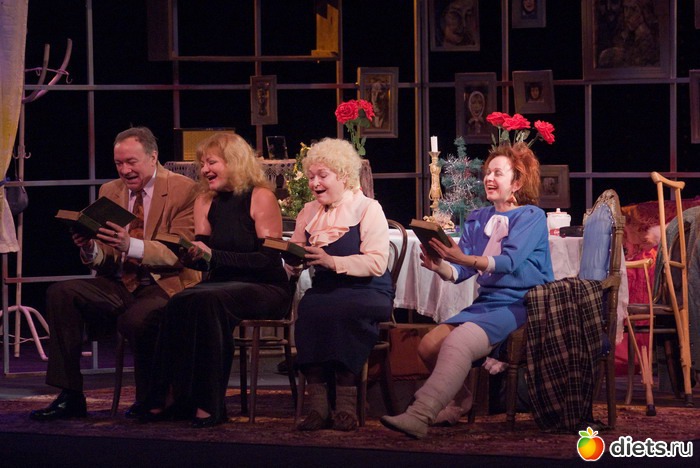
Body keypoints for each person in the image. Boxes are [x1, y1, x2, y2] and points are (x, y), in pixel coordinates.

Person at [380, 142, 554, 439]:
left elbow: (508, 262)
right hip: (488, 302)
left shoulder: (531, 216)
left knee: (458, 341)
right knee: (428, 345)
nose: (489, 178)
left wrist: (462, 258)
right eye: (488, 172)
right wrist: (441, 266)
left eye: (498, 173)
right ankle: (460, 401)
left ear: (517, 182)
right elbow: (463, 271)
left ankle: (420, 414)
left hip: (522, 304)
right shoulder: (478, 218)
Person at [29, 126, 200, 421]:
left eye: (131, 162)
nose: (125, 170)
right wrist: (90, 248)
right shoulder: (110, 191)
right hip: (120, 282)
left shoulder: (184, 190)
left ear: (153, 157)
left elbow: (178, 252)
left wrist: (129, 244)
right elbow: (107, 258)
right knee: (62, 293)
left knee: (138, 319)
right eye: (119, 163)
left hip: (164, 283)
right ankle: (70, 394)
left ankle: (155, 398)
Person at [141, 132, 292, 428]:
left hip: (265, 286)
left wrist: (214, 255)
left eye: (211, 162)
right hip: (221, 285)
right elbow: (206, 258)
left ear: (234, 162)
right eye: (202, 164)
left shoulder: (260, 197)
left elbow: (267, 260)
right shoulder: (205, 200)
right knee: (179, 301)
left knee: (208, 300)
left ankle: (210, 404)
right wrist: (189, 255)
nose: (204, 170)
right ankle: (169, 398)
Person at [292, 138, 394, 432]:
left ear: (344, 176)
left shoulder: (367, 208)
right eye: (311, 176)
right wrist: (292, 261)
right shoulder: (308, 212)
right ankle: (318, 407)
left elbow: (376, 262)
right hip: (326, 289)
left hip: (368, 289)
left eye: (322, 175)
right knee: (309, 308)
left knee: (341, 310)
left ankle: (347, 405)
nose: (315, 183)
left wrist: (332, 261)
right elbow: (295, 252)